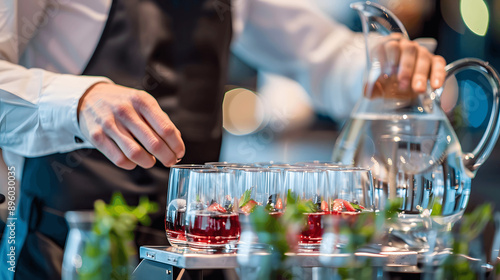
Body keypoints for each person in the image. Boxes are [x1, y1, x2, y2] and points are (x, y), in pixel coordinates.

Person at [0, 0, 446, 279]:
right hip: (65, 249)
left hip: (200, 248)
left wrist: (382, 69)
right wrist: (80, 100)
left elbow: (322, 54)